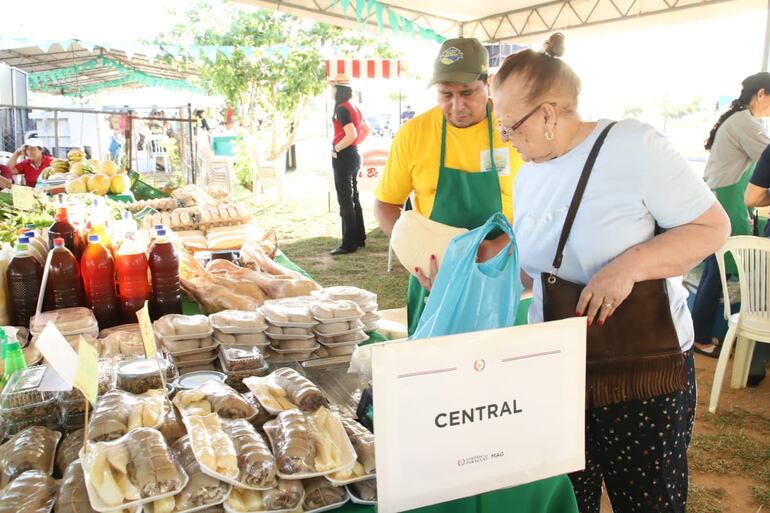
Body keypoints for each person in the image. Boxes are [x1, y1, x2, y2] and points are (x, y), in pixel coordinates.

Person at [492, 33, 730, 512]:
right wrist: (476, 273)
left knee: (647, 499)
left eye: (510, 127)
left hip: (637, 369)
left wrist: (629, 266)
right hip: (557, 361)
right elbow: (535, 268)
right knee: (567, 497)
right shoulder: (531, 170)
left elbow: (712, 227)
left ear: (547, 113)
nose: (507, 141)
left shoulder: (633, 146)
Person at [374, 37, 524, 335]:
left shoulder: (515, 127)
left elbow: (541, 206)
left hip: (500, 272)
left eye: (467, 93)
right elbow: (385, 204)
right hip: (435, 277)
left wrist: (498, 249)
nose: (457, 106)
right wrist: (418, 253)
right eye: (446, 94)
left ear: (488, 85)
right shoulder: (413, 134)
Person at [691, 72, 770, 367]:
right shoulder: (744, 122)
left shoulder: (739, 118)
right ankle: (700, 336)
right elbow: (768, 158)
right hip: (727, 198)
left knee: (717, 267)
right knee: (719, 269)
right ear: (761, 94)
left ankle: (702, 333)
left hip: (725, 196)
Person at [329, 72, 370, 255]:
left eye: (332, 87)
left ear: (339, 89)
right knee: (353, 198)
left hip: (345, 156)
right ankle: (359, 238)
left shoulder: (341, 108)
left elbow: (351, 134)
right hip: (353, 155)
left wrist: (337, 148)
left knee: (345, 200)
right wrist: (353, 145)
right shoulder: (354, 106)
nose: (330, 90)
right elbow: (366, 129)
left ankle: (348, 244)